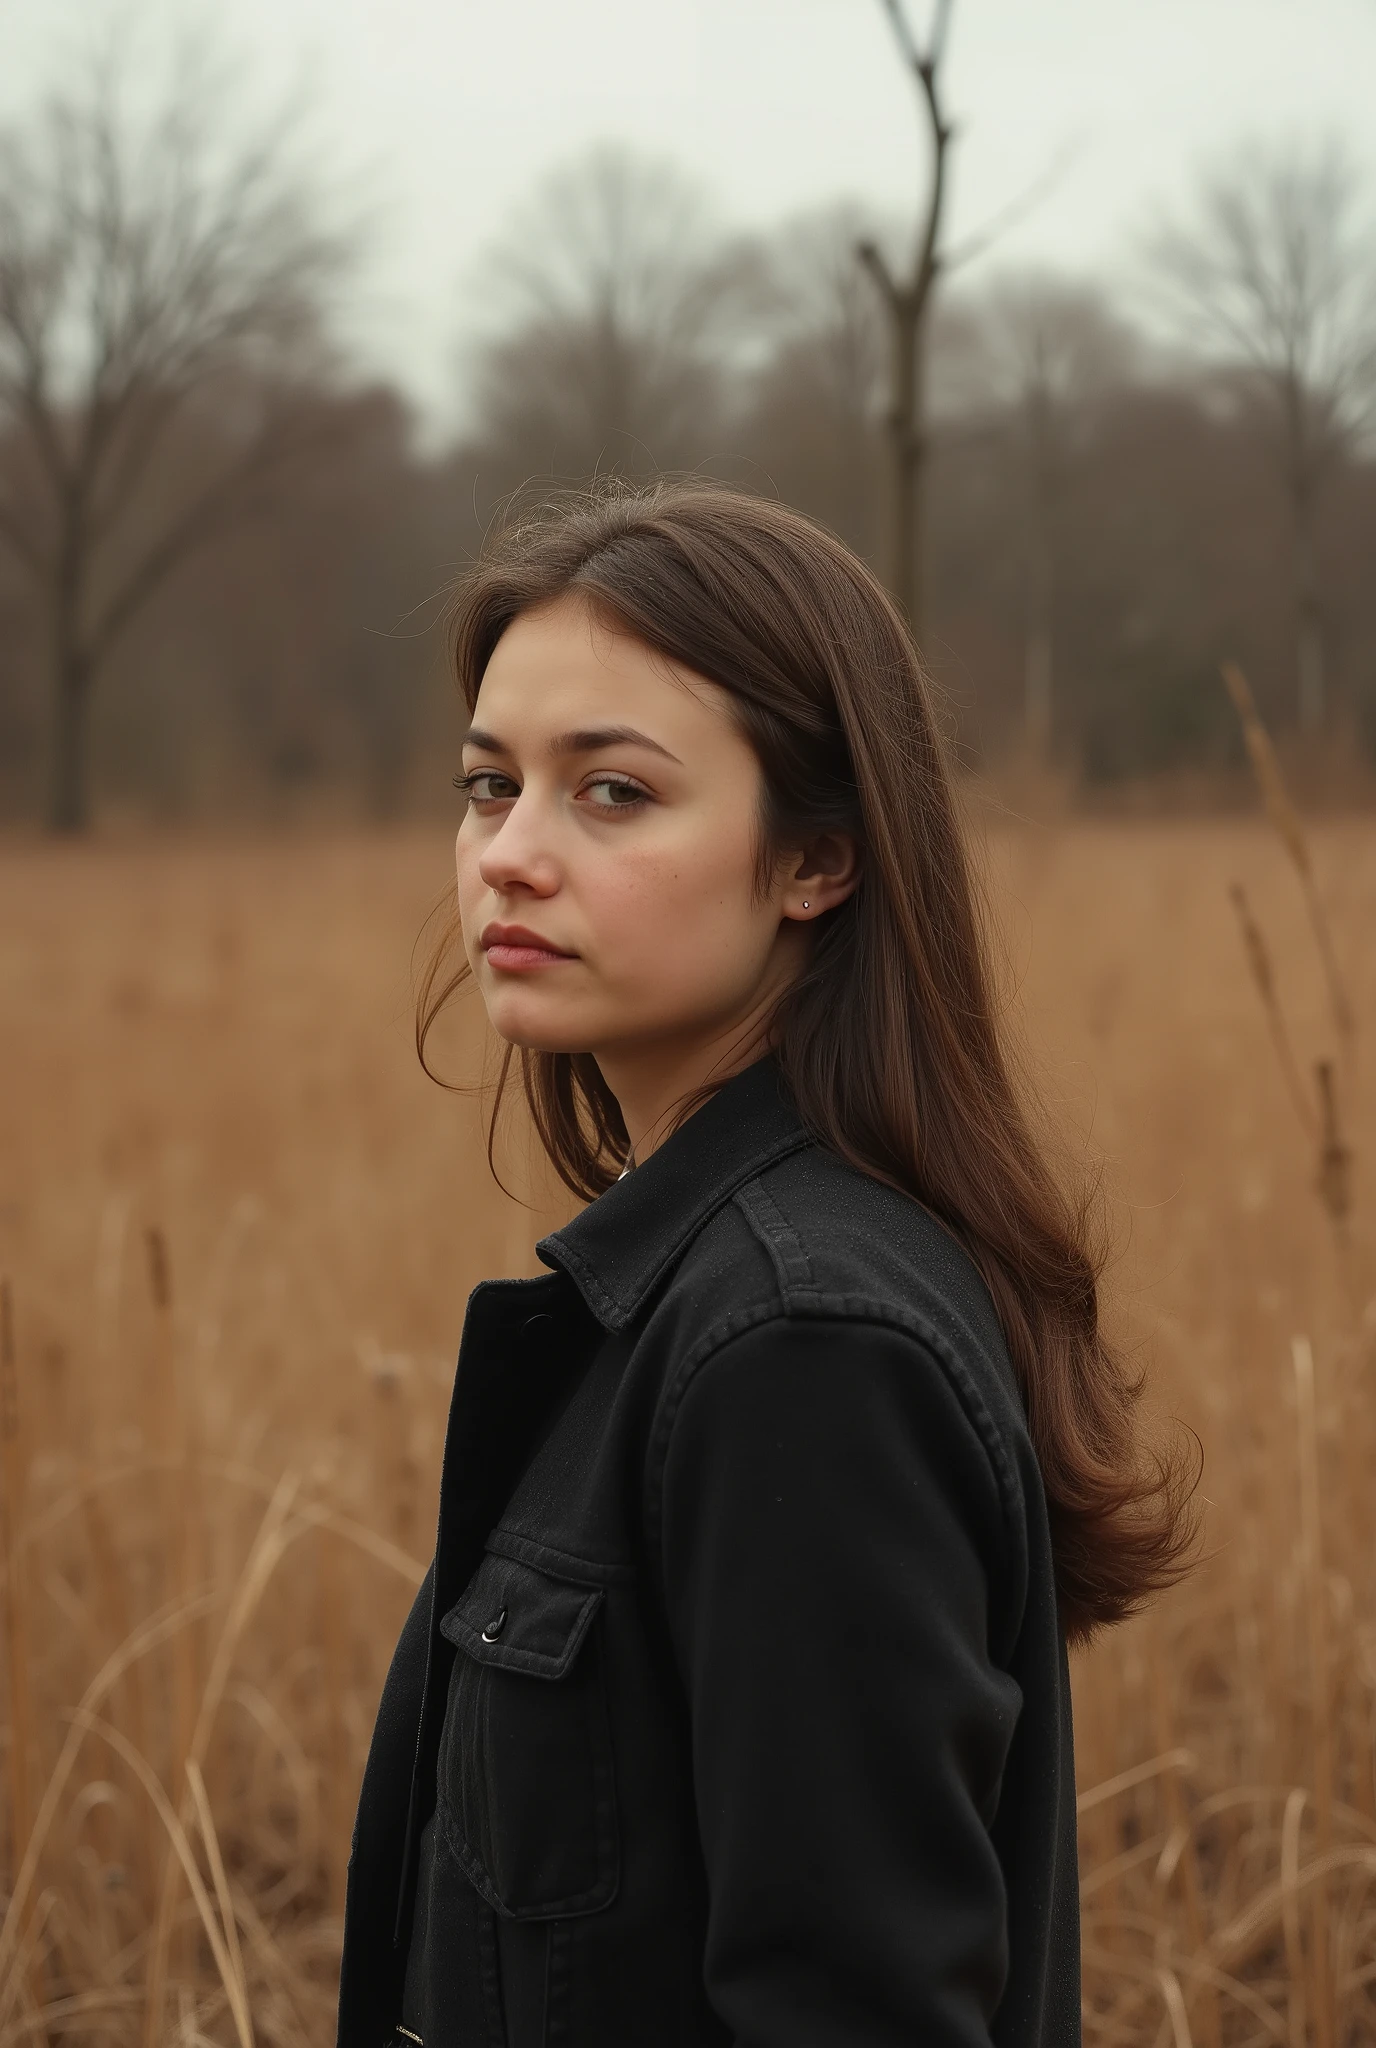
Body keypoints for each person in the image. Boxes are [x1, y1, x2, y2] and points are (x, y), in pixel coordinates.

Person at [336, 482, 1193, 2048]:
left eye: (611, 794)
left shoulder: (803, 1344)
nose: (509, 856)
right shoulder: (700, 1291)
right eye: (487, 785)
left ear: (816, 861)